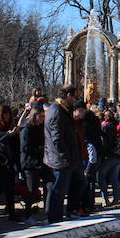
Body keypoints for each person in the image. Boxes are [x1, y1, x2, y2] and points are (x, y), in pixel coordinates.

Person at [44, 85, 81, 223]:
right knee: (58, 191)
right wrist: (65, 155)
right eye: (74, 96)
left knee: (63, 189)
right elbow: (57, 139)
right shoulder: (56, 111)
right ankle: (54, 219)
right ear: (68, 96)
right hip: (60, 159)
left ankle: (57, 217)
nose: (74, 100)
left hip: (65, 158)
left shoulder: (63, 110)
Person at [20, 105, 48, 220]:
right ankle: (27, 215)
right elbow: (25, 147)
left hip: (41, 161)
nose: (42, 119)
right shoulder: (26, 129)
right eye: (40, 116)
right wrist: (40, 149)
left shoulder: (41, 128)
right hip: (30, 163)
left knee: (50, 183)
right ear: (34, 116)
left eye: (43, 116)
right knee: (31, 190)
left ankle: (48, 210)